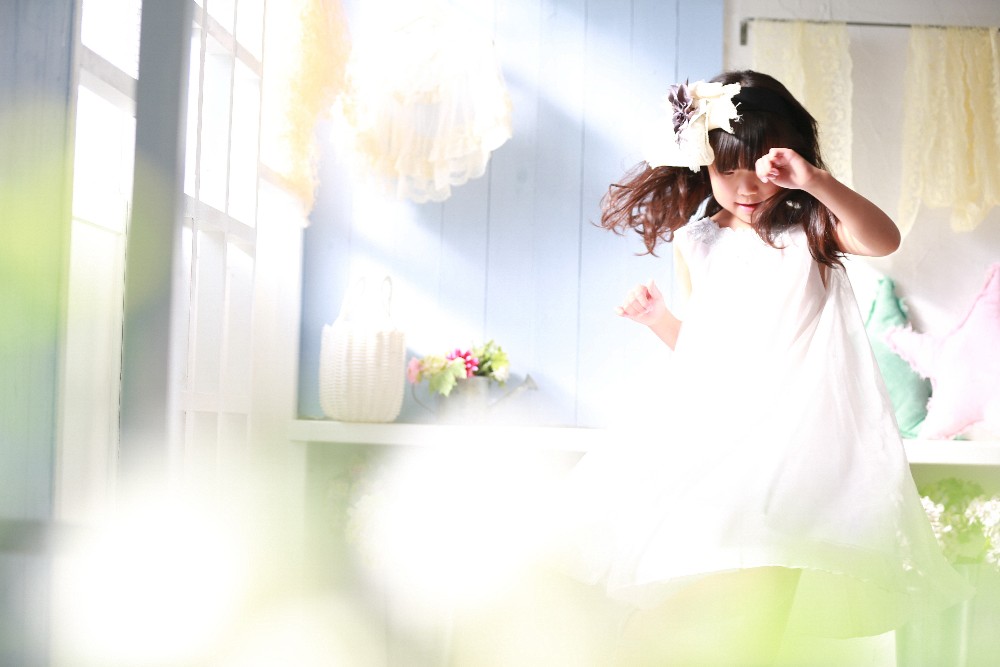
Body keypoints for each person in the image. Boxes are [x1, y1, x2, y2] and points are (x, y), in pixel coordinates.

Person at [558, 70, 972, 665]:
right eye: (728, 171)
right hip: (729, 431)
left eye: (763, 168)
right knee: (750, 575)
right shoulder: (697, 241)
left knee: (776, 575)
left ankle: (659, 642)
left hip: (803, 436)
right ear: (703, 166)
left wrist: (816, 183)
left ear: (791, 161)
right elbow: (705, 354)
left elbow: (884, 240)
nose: (747, 186)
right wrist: (659, 321)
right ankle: (641, 637)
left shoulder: (811, 227)